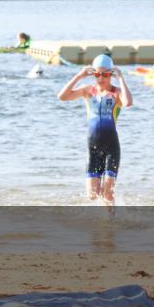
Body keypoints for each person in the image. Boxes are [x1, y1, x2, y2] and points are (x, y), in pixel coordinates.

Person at [57, 54, 133, 208]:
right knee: (92, 195)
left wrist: (121, 79)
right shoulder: (87, 91)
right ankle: (104, 218)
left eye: (105, 74)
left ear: (110, 74)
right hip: (93, 148)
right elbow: (62, 97)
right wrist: (79, 76)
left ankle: (109, 223)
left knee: (107, 191)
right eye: (97, 74)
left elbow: (128, 102)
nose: (101, 78)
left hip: (112, 147)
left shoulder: (116, 93)